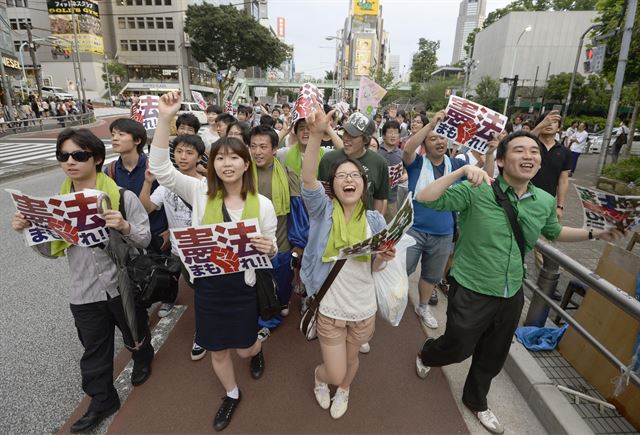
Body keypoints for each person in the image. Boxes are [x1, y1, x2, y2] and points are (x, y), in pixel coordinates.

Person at [413, 130, 624, 434]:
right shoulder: (476, 190)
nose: (529, 156)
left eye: (534, 152)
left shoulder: (544, 200)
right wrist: (461, 170)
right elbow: (424, 198)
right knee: (458, 347)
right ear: (499, 161)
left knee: (493, 355)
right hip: (472, 285)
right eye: (520, 150)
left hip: (512, 290)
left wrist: (595, 234)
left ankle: (477, 400)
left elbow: (553, 233)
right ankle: (428, 353)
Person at [149, 91, 277, 432]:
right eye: (220, 158)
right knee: (218, 351)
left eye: (235, 158)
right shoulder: (199, 193)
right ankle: (231, 393)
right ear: (214, 164)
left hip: (243, 288)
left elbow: (272, 246)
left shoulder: (262, 204)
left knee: (245, 349)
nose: (227, 163)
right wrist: (165, 119)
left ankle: (257, 346)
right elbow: (160, 168)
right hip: (208, 287)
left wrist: (269, 247)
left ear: (246, 164)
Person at [12, 128, 154, 433]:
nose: (70, 162)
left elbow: (144, 238)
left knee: (134, 331)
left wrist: (125, 225)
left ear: (97, 158)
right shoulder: (55, 206)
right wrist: (27, 230)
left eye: (79, 155)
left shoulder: (121, 196)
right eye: (63, 156)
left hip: (122, 285)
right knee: (94, 350)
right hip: (84, 291)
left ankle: (142, 355)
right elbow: (51, 252)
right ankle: (103, 400)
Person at [300, 98, 395, 419]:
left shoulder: (375, 222)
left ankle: (344, 390)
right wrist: (316, 135)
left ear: (364, 185)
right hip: (329, 307)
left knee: (351, 362)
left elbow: (377, 267)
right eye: (341, 176)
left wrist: (384, 255)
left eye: (354, 175)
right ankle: (322, 378)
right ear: (333, 186)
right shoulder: (322, 210)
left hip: (364, 310)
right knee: (335, 369)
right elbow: (309, 178)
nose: (348, 179)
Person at [140, 134, 209, 361]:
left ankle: (204, 333)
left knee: (203, 293)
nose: (183, 157)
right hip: (180, 250)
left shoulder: (206, 184)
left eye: (189, 152)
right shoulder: (166, 184)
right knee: (195, 287)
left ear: (200, 156)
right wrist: (149, 181)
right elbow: (147, 207)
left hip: (204, 250)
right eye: (179, 151)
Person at [402, 111, 471, 320]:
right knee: (400, 271)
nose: (439, 142)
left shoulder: (457, 166)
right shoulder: (416, 163)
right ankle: (393, 302)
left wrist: (490, 154)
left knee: (431, 276)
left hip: (443, 233)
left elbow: (482, 179)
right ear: (425, 143)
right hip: (414, 228)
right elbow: (407, 149)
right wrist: (430, 124)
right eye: (433, 138)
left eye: (442, 137)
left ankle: (423, 306)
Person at [107, 118, 172, 316]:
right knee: (135, 271)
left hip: (156, 229)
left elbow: (168, 197)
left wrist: (170, 229)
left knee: (162, 269)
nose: (115, 138)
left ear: (137, 140)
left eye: (121, 134)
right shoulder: (110, 170)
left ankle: (168, 297)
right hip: (127, 232)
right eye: (113, 134)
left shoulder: (154, 167)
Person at [249, 125, 306, 318]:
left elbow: (297, 212)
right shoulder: (242, 174)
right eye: (253, 146)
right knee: (255, 286)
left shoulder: (288, 175)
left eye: (263, 146)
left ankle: (282, 301)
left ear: (274, 149)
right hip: (250, 242)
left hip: (280, 242)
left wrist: (298, 245)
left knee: (281, 280)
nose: (257, 152)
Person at [318, 112, 390, 214]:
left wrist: (374, 225)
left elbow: (379, 198)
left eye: (353, 135)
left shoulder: (379, 163)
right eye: (345, 132)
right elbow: (321, 196)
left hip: (364, 225)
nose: (346, 138)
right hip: (333, 224)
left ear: (365, 140)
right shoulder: (329, 159)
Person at [378, 120, 406, 222]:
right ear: (384, 135)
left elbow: (406, 170)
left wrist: (405, 175)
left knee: (389, 228)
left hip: (392, 199)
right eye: (390, 132)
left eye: (396, 132)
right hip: (375, 198)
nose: (393, 135)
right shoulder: (376, 151)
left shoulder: (401, 154)